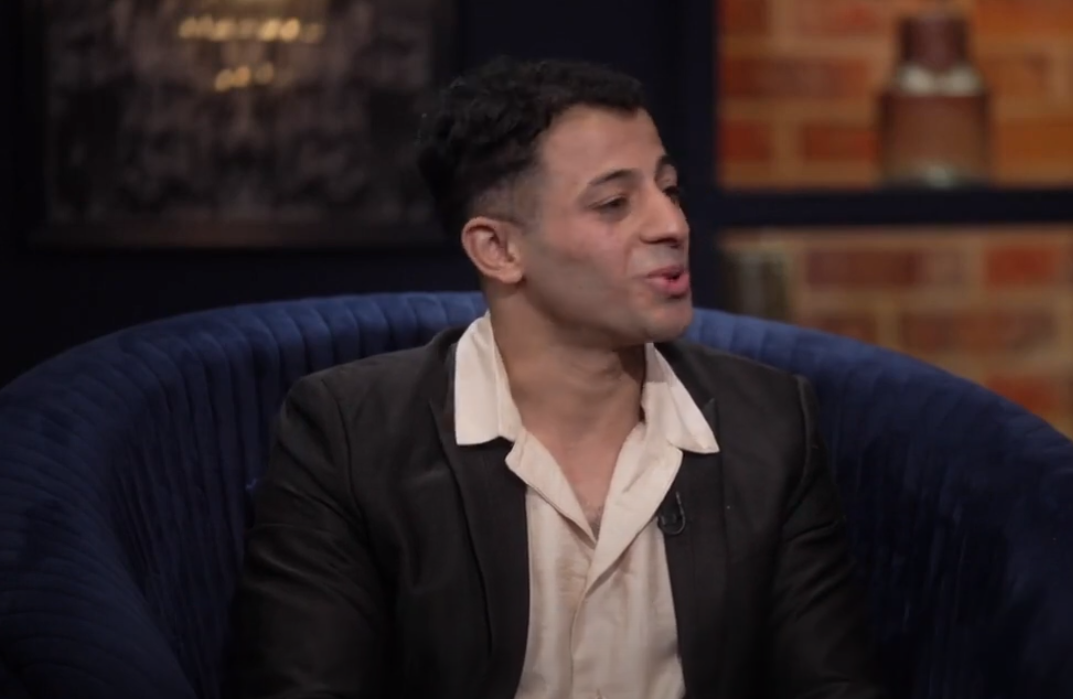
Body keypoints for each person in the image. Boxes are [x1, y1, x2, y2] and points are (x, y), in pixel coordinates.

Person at [230, 56, 884, 699]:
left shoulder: (768, 424)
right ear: (498, 249)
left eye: (670, 189)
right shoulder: (350, 436)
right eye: (614, 203)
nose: (672, 225)